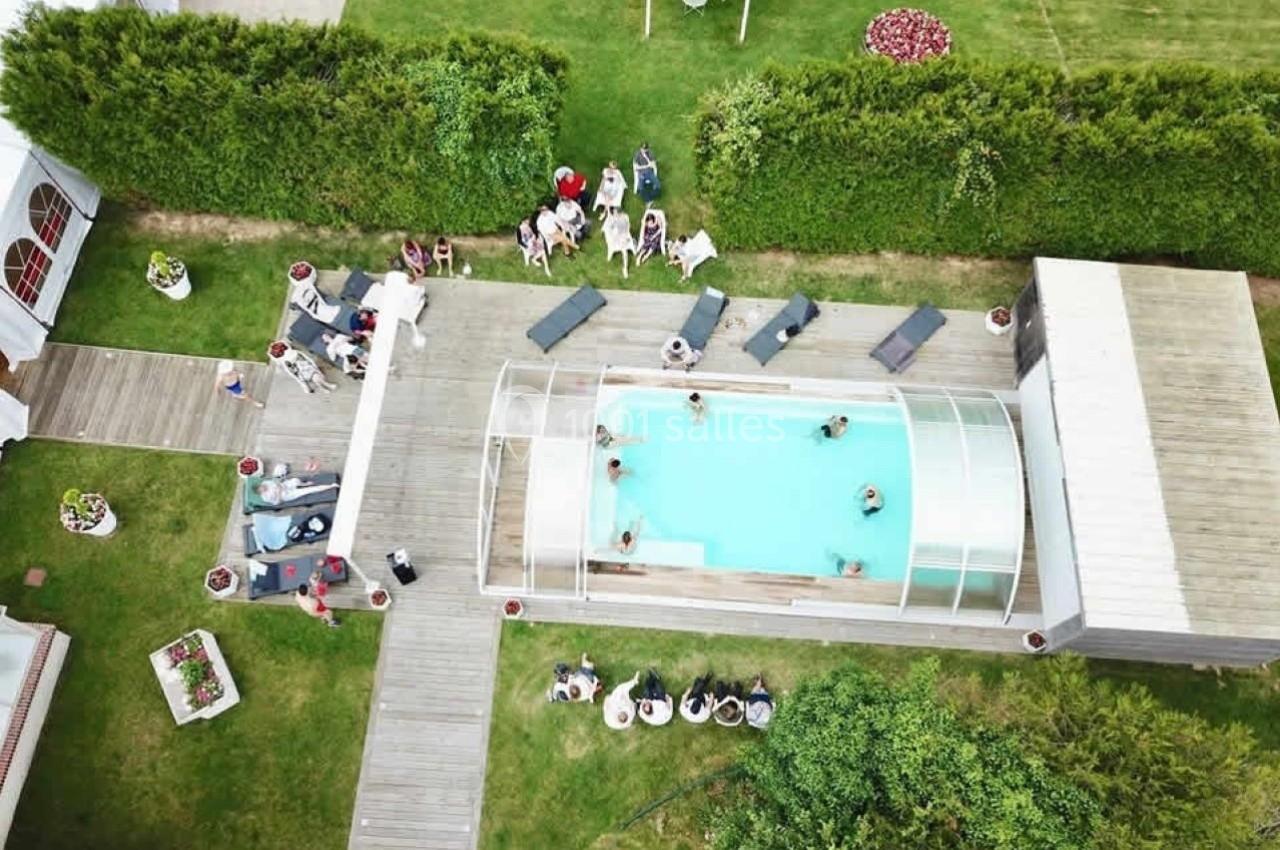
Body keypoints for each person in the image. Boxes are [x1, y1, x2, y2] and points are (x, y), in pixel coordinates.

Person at [255, 476, 340, 506]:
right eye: (262, 489)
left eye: (262, 487)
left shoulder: (265, 483)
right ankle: (332, 486)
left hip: (285, 485)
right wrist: (279, 493)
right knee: (308, 491)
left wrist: (279, 486)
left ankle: (304, 484)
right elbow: (277, 502)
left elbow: (276, 481)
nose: (263, 488)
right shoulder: (265, 498)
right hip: (286, 495)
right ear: (260, 492)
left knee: (296, 480)